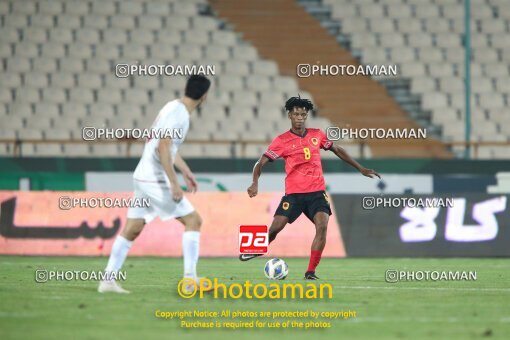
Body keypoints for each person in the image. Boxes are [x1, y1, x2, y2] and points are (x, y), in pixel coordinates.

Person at [240, 96, 380, 280]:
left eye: (303, 114)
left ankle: (310, 272)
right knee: (275, 228)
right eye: (296, 114)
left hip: (317, 193)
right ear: (289, 115)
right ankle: (255, 249)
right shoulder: (281, 141)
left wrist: (360, 168)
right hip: (294, 195)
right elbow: (261, 162)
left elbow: (337, 149)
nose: (300, 117)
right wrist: (255, 182)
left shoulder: (317, 134)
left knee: (322, 226)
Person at [98, 75, 211, 293]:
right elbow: (163, 146)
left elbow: (168, 147)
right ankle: (190, 278)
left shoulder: (172, 107)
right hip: (154, 177)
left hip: (143, 174)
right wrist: (174, 183)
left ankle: (108, 281)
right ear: (204, 96)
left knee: (132, 229)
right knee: (193, 220)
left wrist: (185, 170)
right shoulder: (181, 116)